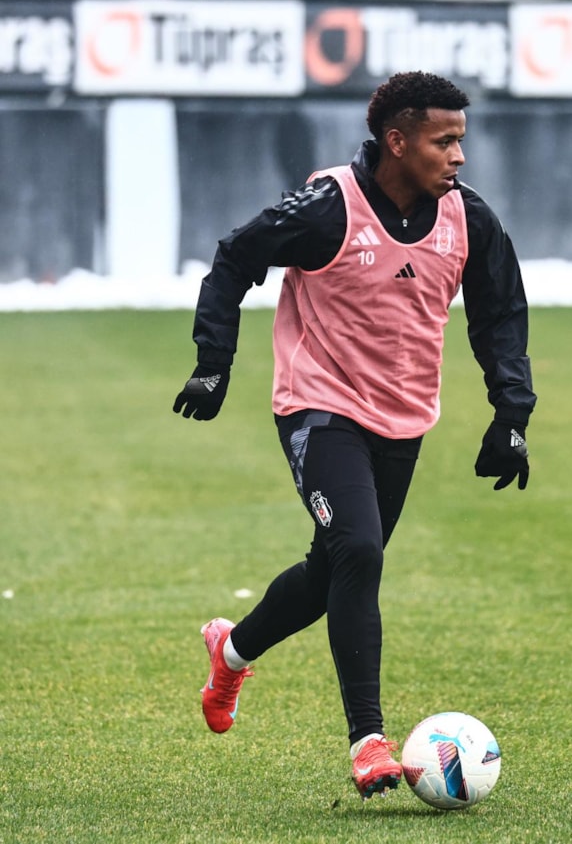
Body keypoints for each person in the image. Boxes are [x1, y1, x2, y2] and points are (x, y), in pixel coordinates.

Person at [173, 71, 536, 800]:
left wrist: (511, 416)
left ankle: (231, 652)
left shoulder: (468, 218)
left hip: (402, 418)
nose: (459, 156)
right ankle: (368, 740)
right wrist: (213, 363)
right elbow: (236, 256)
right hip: (317, 405)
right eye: (443, 141)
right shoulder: (329, 207)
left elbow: (500, 313)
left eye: (461, 141)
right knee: (360, 551)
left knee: (332, 569)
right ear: (397, 142)